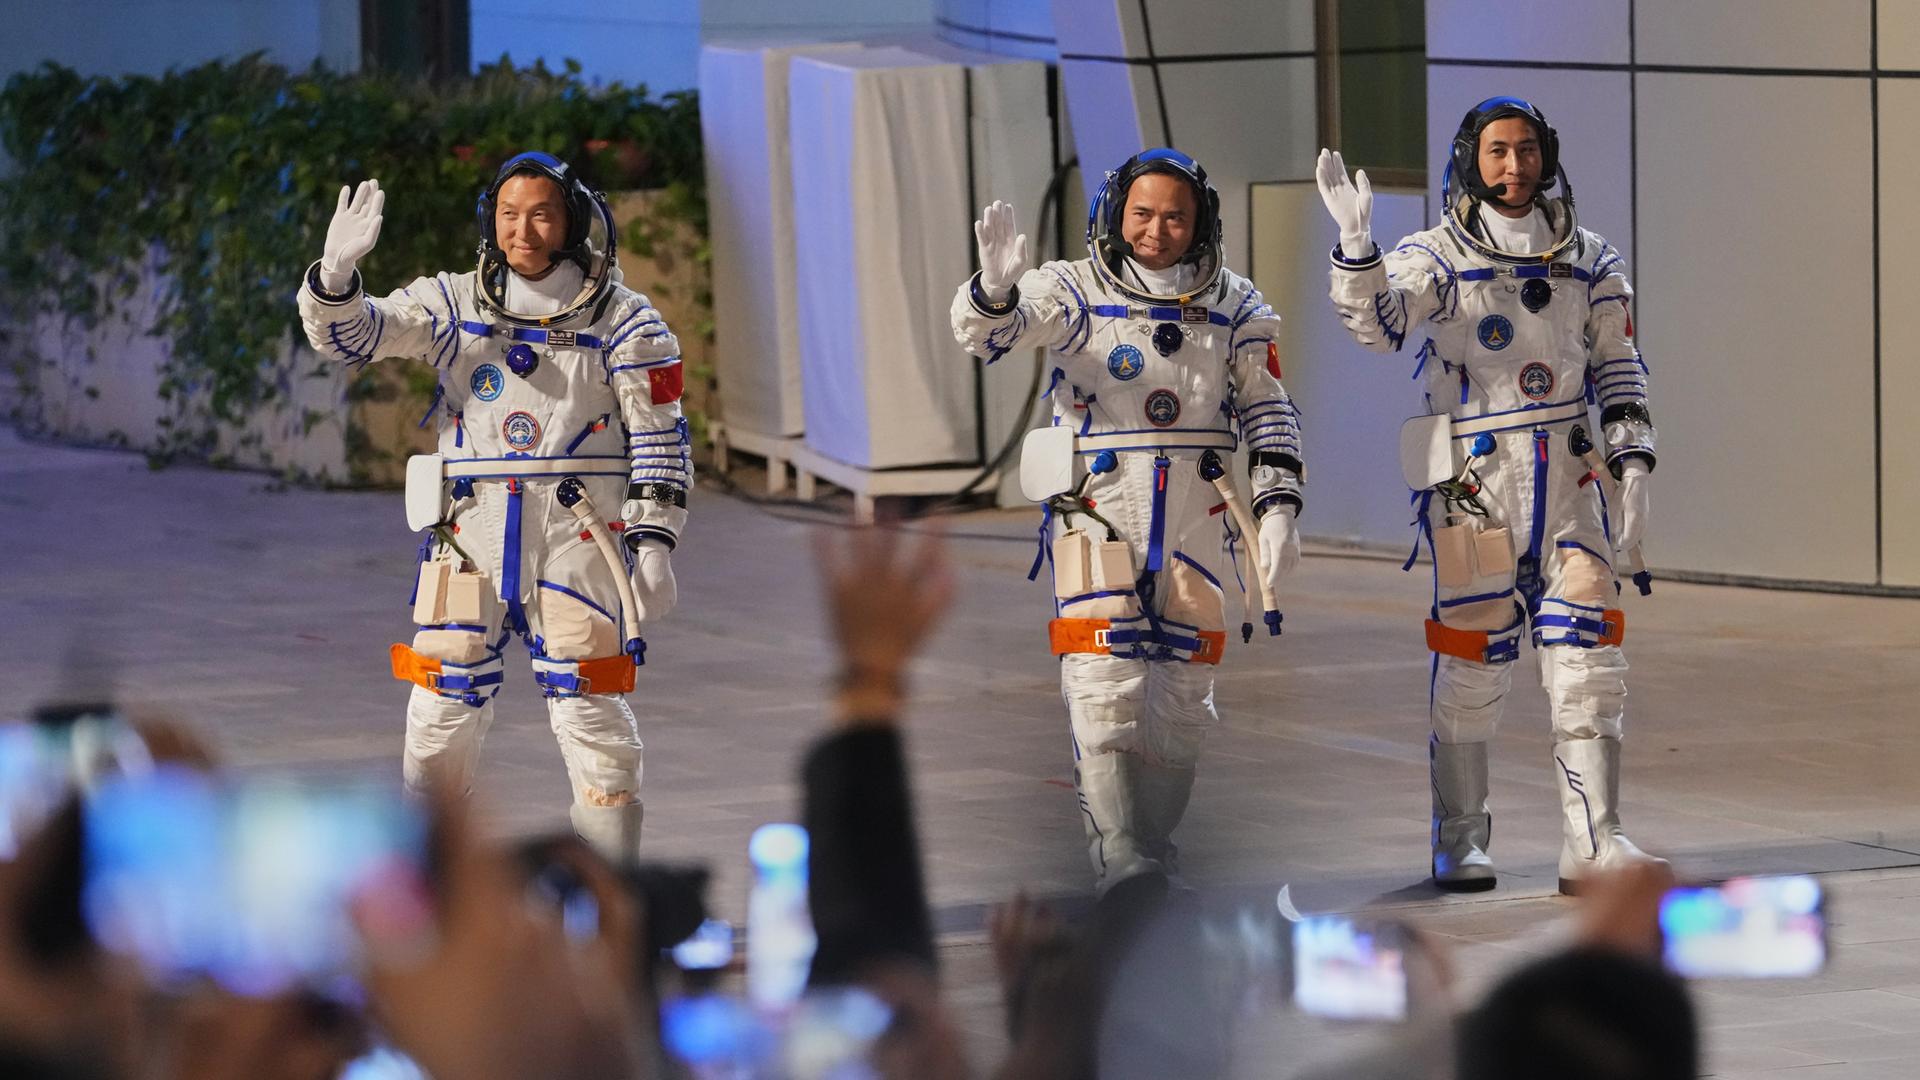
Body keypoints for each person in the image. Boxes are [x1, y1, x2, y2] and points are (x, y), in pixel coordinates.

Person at [296, 153, 691, 864]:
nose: (523, 231)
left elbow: (661, 439)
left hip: (577, 536)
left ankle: (610, 888)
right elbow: (357, 336)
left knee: (590, 706)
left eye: (541, 214)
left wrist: (655, 543)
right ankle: (432, 879)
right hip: (471, 532)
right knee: (441, 699)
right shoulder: (455, 306)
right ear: (490, 220)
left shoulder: (627, 323)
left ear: (573, 221)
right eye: (509, 215)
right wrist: (335, 279)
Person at [1316, 98, 1662, 894]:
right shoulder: (1437, 255)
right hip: (1476, 483)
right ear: (1471, 159)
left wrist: (1634, 460)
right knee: (1474, 661)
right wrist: (1359, 248)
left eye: (1528, 149)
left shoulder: (1590, 258)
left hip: (1569, 476)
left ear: (1548, 155)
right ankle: (1460, 837)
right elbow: (1381, 326)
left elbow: (1618, 366)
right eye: (1499, 150)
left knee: (1589, 659)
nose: (1515, 166)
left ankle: (1595, 842)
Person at [950, 148, 1306, 893]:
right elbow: (991, 336)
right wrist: (993, 291)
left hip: (1196, 521)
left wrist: (1279, 507)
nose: (1157, 230)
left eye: (1176, 216)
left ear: (1200, 221)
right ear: (1116, 214)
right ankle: (1117, 852)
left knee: (1183, 699)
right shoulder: (1073, 290)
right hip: (1100, 511)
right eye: (1142, 213)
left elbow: (1269, 407)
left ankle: (1152, 846)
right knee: (1103, 679)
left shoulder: (1237, 305)